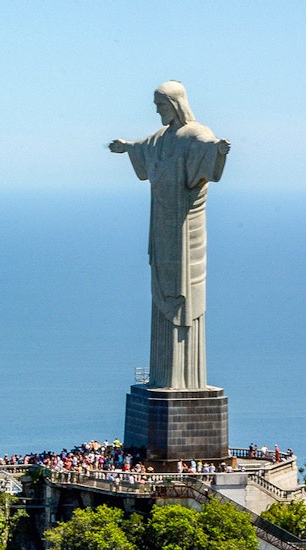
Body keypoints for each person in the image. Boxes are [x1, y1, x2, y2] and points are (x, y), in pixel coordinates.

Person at [110, 81, 230, 389]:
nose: (157, 111)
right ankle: (165, 378)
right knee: (162, 287)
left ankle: (185, 381)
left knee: (185, 293)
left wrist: (217, 151)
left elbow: (207, 153)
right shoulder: (161, 139)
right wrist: (126, 148)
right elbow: (143, 149)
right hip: (162, 228)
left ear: (175, 104)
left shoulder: (196, 135)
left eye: (161, 105)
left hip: (185, 229)